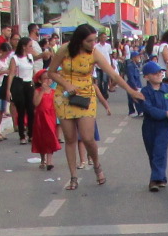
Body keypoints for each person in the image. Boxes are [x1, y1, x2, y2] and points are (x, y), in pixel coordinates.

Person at [49, 24, 139, 190]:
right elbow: (51, 72)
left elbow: (113, 74)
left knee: (87, 137)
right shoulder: (64, 49)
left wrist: (131, 90)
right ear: (80, 40)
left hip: (85, 96)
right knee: (70, 138)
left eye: (94, 40)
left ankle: (96, 164)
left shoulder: (95, 53)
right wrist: (66, 84)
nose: (93, 44)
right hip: (65, 96)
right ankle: (73, 177)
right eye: (89, 41)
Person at [138, 60, 168, 191]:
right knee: (152, 152)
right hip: (149, 126)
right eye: (155, 73)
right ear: (146, 77)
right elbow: (149, 109)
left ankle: (154, 179)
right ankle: (161, 178)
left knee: (159, 151)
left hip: (164, 126)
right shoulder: (145, 92)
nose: (159, 75)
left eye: (160, 72)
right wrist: (166, 113)